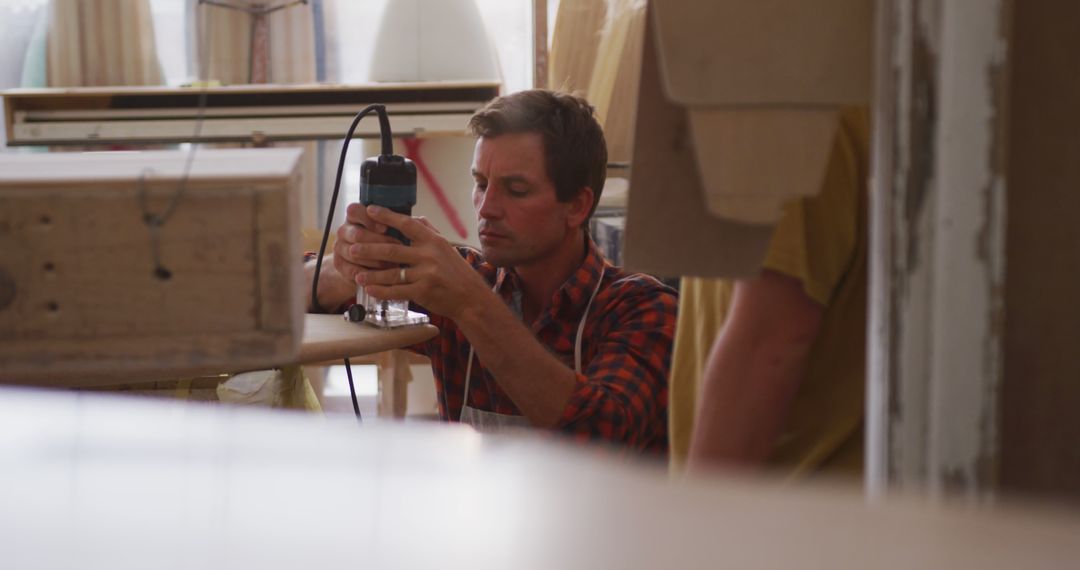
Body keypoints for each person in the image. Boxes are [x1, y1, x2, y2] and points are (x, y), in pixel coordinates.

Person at [308, 90, 676, 453]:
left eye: (516, 190)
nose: (486, 208)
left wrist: (471, 305)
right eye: (481, 184)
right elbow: (278, 296)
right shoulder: (463, 283)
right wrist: (355, 264)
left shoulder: (645, 310)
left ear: (577, 206)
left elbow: (599, 432)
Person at [670, 108, 871, 478]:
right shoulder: (786, 101)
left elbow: (771, 343)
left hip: (777, 512)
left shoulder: (787, 106)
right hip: (795, 510)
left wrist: (696, 519)